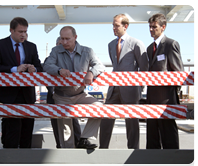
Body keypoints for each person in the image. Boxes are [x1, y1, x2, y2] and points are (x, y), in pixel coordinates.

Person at [43, 26, 105, 149]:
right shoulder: (56, 50)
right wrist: (59, 70)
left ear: (75, 38)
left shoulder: (88, 51)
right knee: (67, 134)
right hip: (62, 96)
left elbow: (100, 65)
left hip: (80, 94)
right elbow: (47, 65)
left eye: (67, 39)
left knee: (99, 108)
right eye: (62, 39)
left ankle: (86, 137)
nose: (64, 42)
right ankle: (68, 158)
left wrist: (91, 72)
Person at [0, 17, 43, 148]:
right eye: (20, 31)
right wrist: (14, 69)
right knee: (11, 131)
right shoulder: (0, 45)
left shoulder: (31, 46)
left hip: (27, 94)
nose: (23, 34)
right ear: (11, 30)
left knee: (27, 130)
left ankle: (26, 160)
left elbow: (40, 67)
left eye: (25, 31)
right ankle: (9, 159)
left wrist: (34, 69)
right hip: (8, 95)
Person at [99, 14, 149, 149]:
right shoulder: (110, 45)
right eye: (113, 25)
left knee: (132, 123)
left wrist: (139, 88)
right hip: (114, 88)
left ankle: (133, 152)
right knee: (106, 119)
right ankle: (102, 150)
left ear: (125, 26)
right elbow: (116, 66)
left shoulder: (137, 43)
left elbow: (144, 68)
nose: (113, 28)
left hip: (131, 90)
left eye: (116, 25)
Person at [146, 13, 184, 149]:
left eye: (154, 27)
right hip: (151, 100)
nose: (151, 30)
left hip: (166, 101)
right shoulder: (150, 48)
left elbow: (179, 74)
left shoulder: (170, 44)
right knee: (152, 138)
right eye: (150, 27)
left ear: (163, 27)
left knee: (169, 138)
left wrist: (171, 96)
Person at [48, 36, 81, 148]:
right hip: (53, 96)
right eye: (60, 44)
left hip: (70, 96)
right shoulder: (50, 60)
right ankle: (60, 146)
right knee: (57, 124)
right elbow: (46, 68)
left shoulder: (72, 59)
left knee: (73, 122)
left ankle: (77, 143)